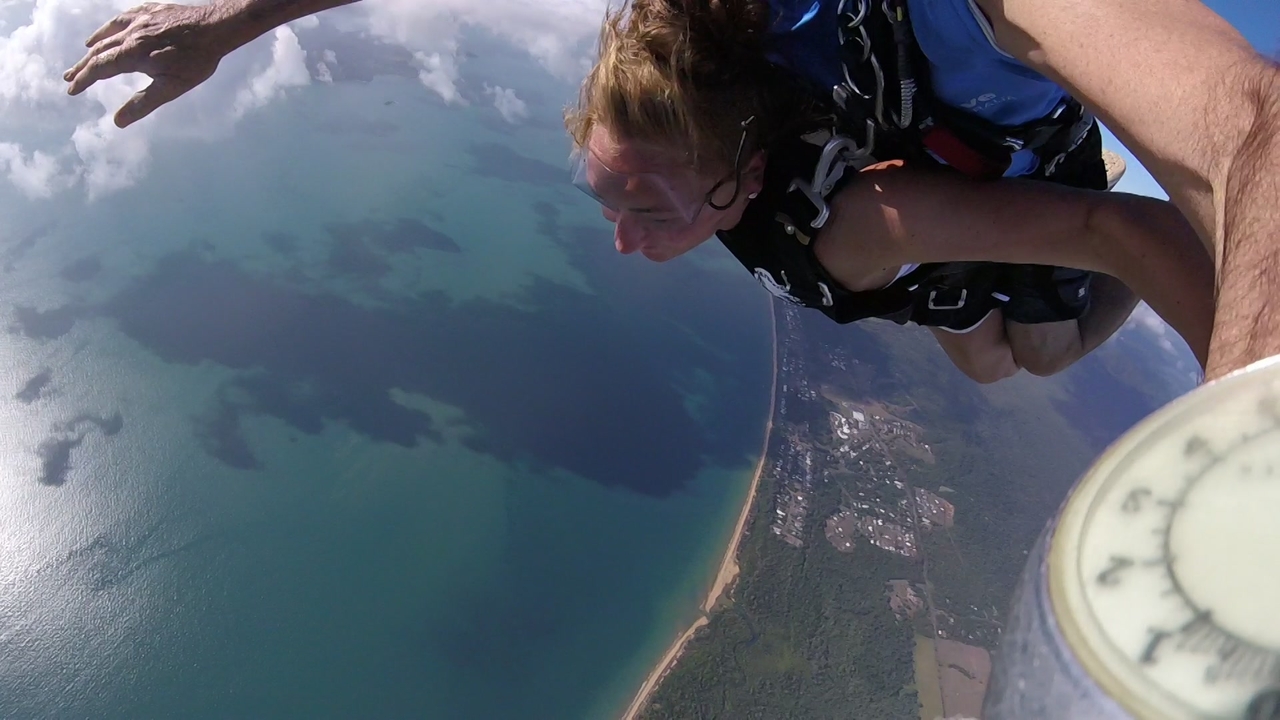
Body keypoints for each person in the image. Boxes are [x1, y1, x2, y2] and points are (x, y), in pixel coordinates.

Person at [61, 0, 1275, 381]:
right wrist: (230, 20)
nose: (630, 247)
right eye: (623, 210)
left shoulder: (990, 18)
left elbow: (1241, 131)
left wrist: (1242, 446)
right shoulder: (702, 42)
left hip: (1026, 172)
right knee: (979, 345)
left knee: (1035, 350)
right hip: (895, 169)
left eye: (646, 214)